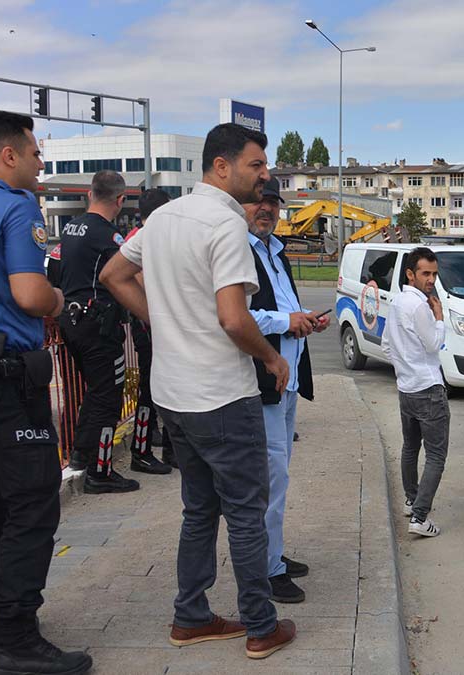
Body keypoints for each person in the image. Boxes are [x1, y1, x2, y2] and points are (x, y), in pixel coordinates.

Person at [100, 123, 296, 659]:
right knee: (246, 513)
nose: (265, 175)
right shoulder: (226, 225)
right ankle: (260, 626)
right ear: (221, 166)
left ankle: (190, 616)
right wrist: (272, 357)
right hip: (221, 395)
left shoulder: (161, 218)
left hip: (173, 395)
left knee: (198, 510)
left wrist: (162, 324)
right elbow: (234, 319)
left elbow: (114, 274)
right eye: (256, 165)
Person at [0, 110, 92, 674]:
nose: (41, 163)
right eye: (36, 153)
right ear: (8, 155)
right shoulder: (16, 208)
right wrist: (60, 303)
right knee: (33, 503)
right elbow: (32, 293)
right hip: (4, 380)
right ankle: (13, 639)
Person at [244, 180, 329, 603]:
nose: (266, 209)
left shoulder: (276, 251)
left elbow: (282, 309)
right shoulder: (237, 250)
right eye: (259, 201)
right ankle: (266, 570)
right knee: (269, 480)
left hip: (289, 380)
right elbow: (237, 317)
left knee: (279, 477)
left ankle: (272, 555)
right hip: (262, 382)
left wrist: (306, 320)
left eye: (273, 202)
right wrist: (285, 322)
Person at [57, 170, 150, 491]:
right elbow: (130, 276)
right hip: (98, 324)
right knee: (110, 394)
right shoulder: (107, 235)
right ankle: (100, 470)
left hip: (71, 321)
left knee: (95, 393)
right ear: (121, 201)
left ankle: (82, 457)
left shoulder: (71, 227)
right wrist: (151, 314)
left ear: (89, 195)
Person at [383, 246, 448, 537]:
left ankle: (412, 501)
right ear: (410, 274)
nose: (431, 279)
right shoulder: (421, 306)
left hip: (406, 388)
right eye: (425, 273)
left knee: (410, 447)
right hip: (428, 388)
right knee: (435, 456)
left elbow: (386, 344)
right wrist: (439, 316)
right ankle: (420, 517)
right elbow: (434, 344)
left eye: (434, 273)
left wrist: (403, 367)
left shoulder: (396, 303)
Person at [127, 188, 177, 470]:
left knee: (166, 388)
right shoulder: (139, 240)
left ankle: (169, 450)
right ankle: (142, 452)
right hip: (149, 326)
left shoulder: (156, 237)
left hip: (159, 324)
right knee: (149, 391)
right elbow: (138, 280)